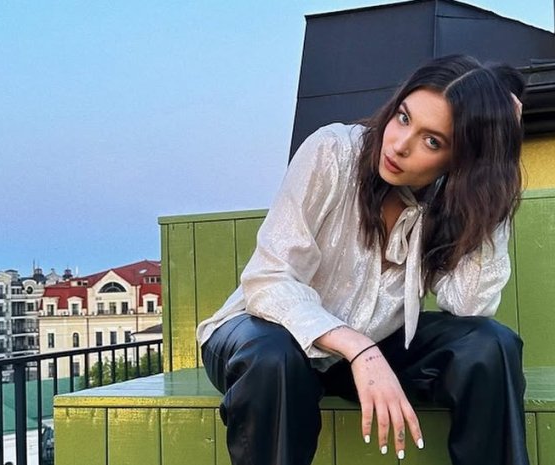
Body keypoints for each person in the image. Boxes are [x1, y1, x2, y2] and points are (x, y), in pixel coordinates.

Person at [198, 54, 528, 465]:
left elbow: (470, 304)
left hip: (373, 346)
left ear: (461, 160)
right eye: (404, 118)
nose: (399, 145)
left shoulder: (449, 199)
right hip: (265, 339)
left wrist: (496, 168)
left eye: (432, 141)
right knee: (274, 358)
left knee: (490, 344)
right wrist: (357, 348)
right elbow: (268, 279)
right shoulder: (333, 151)